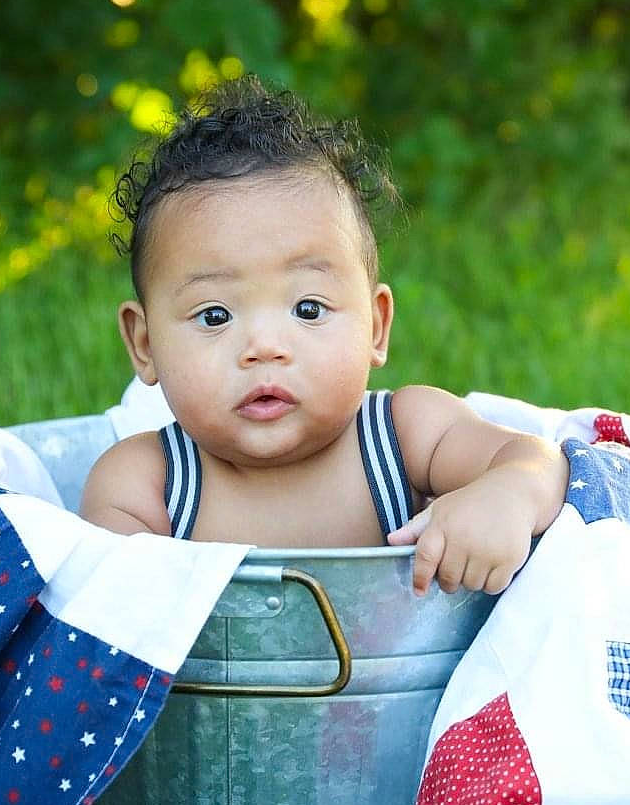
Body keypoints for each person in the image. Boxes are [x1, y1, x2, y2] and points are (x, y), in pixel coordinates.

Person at [79, 75, 567, 597]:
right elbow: (105, 615)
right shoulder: (144, 484)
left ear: (376, 326)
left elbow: (540, 460)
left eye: (307, 309)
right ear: (145, 345)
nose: (264, 348)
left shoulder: (405, 434)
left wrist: (506, 495)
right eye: (215, 316)